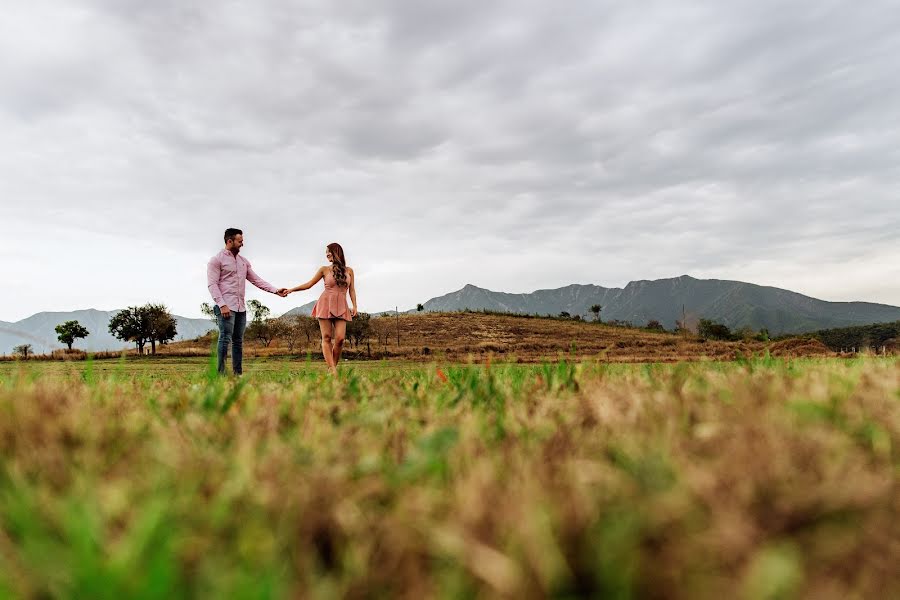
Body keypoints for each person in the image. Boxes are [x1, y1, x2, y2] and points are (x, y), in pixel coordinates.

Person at [207, 228, 288, 375]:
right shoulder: (216, 260)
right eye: (240, 241)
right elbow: (212, 285)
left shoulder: (243, 262)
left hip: (240, 308)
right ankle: (221, 374)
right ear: (229, 241)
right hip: (226, 307)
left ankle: (237, 374)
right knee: (225, 339)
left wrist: (276, 290)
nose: (242, 244)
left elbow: (256, 280)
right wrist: (222, 304)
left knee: (238, 341)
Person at [287, 243, 358, 374]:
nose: (327, 254)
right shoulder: (324, 269)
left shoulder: (349, 271)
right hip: (325, 304)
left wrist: (354, 305)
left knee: (340, 339)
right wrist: (292, 289)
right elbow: (309, 284)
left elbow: (352, 290)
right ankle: (333, 370)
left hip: (342, 305)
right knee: (326, 337)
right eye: (326, 252)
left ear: (337, 252)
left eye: (329, 251)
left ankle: (332, 369)